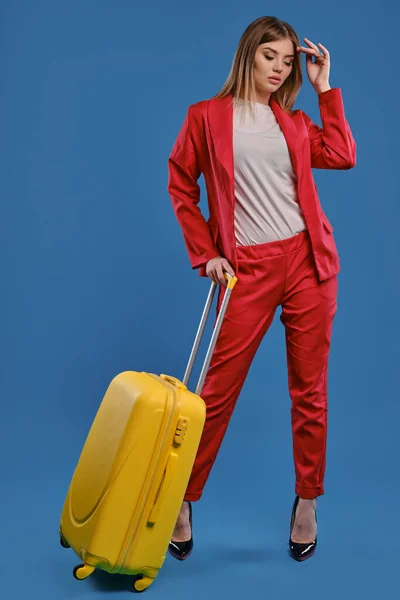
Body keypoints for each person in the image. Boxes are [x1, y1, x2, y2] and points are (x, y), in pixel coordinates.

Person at [166, 15, 356, 563]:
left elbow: (343, 154)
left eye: (287, 61)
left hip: (307, 261)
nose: (278, 68)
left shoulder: (294, 123)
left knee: (309, 390)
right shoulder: (205, 117)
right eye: (269, 56)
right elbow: (181, 181)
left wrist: (325, 90)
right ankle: (183, 498)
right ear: (248, 55)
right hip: (245, 267)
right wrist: (207, 254)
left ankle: (306, 501)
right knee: (216, 392)